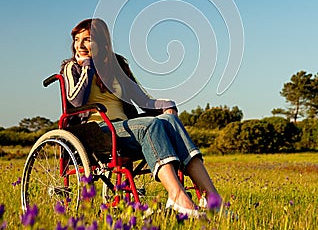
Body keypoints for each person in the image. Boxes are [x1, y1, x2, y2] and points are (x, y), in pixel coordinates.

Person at [61, 18, 221, 217]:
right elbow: (75, 101)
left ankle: (213, 199)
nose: (80, 45)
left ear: (102, 43)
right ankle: (176, 195)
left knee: (170, 120)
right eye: (77, 39)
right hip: (96, 131)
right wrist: (87, 66)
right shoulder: (72, 67)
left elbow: (141, 99)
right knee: (150, 125)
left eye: (87, 40)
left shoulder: (116, 65)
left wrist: (167, 105)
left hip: (125, 128)